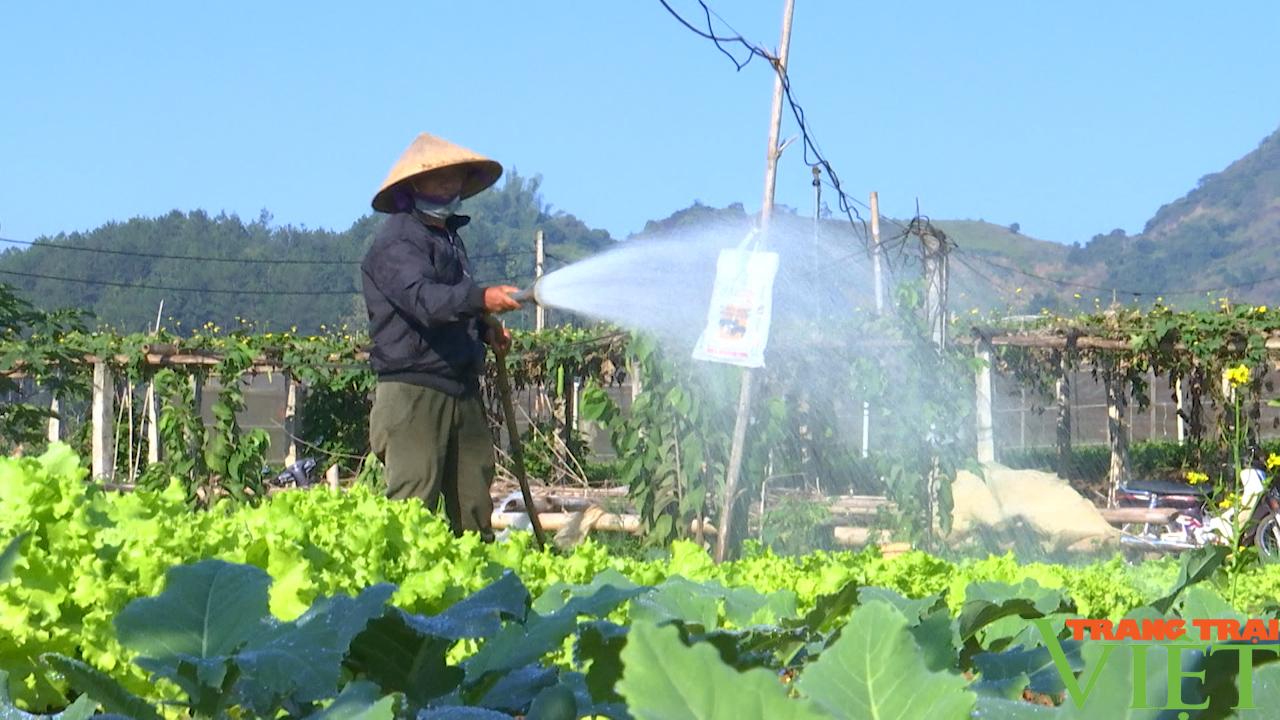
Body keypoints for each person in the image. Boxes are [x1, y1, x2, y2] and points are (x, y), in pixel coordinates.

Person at [361, 133, 522, 540]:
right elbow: (426, 301)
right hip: (414, 389)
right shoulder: (396, 241)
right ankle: (395, 598)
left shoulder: (449, 238)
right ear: (414, 185)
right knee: (412, 509)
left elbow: (454, 303)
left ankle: (475, 595)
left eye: (456, 178)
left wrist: (484, 327)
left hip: (459, 385)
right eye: (439, 178)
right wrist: (481, 297)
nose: (450, 185)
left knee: (473, 507)